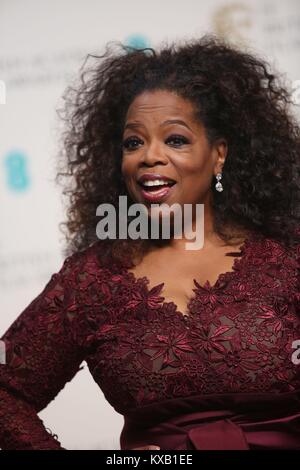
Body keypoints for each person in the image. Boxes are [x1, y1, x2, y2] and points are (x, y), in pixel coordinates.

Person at [0, 34, 300, 450]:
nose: (149, 156)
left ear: (219, 155)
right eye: (133, 142)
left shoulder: (287, 257)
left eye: (175, 139)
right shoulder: (92, 280)